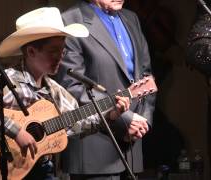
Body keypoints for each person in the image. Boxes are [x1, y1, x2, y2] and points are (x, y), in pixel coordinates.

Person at [0, 7, 131, 180]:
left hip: (44, 169)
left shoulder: (56, 91)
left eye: (62, 51)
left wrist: (111, 115)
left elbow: (76, 124)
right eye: (53, 51)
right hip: (12, 164)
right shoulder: (12, 81)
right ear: (31, 51)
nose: (59, 57)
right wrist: (17, 131)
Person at [54, 0, 156, 179]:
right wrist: (124, 120)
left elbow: (146, 76)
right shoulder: (70, 20)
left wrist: (144, 121)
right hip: (95, 151)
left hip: (132, 147)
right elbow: (71, 88)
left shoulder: (131, 18)